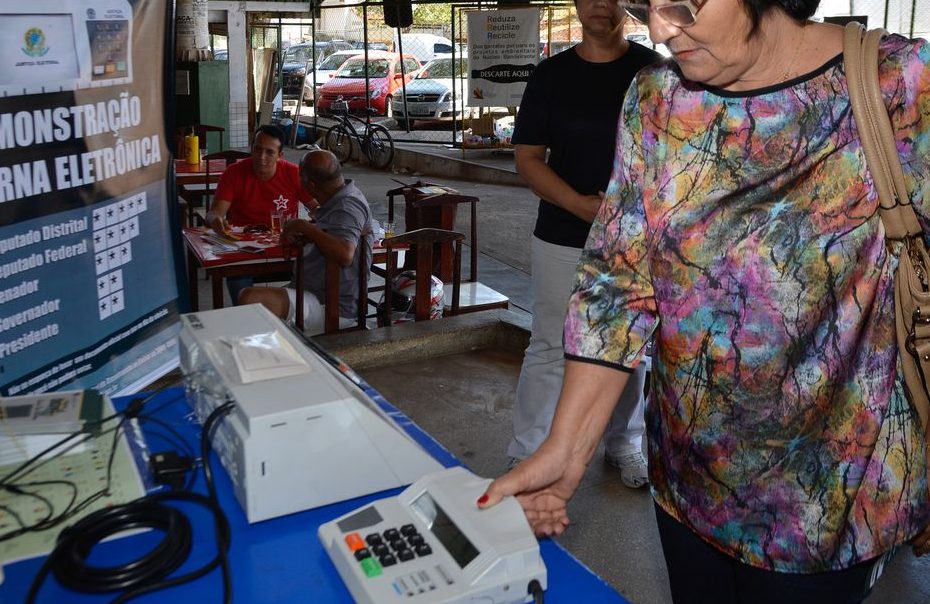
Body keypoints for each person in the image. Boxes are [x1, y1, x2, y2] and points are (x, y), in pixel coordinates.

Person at [480, 2, 930, 602]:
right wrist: (567, 449)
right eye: (644, 6)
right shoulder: (658, 98)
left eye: (683, 6)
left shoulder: (899, 84)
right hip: (689, 481)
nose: (659, 31)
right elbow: (619, 281)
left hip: (828, 493)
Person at [507, 0, 663, 488]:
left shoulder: (655, 73)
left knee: (629, 346)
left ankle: (625, 443)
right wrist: (576, 203)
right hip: (561, 235)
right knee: (550, 344)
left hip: (633, 240)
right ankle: (528, 451)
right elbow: (528, 157)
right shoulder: (550, 76)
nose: (601, 4)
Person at [238, 150, 373, 336]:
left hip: (332, 306)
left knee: (250, 298)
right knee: (255, 308)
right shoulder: (336, 201)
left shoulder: (347, 207)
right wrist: (307, 235)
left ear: (310, 185)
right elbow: (332, 235)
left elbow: (344, 254)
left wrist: (304, 226)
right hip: (311, 292)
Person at [204, 124, 314, 304]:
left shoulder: (294, 173)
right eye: (257, 149)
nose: (261, 157)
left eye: (269, 153)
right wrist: (216, 220)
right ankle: (246, 320)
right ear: (251, 148)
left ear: (280, 156)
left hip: (285, 247)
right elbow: (214, 214)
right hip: (245, 251)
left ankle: (298, 317)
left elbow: (317, 208)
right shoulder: (233, 173)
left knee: (318, 264)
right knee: (236, 276)